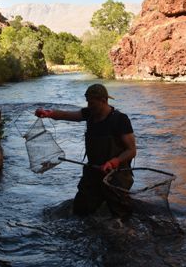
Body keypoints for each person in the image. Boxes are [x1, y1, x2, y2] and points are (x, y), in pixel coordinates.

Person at [35, 83, 137, 219]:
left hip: (117, 176)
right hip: (93, 172)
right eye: (88, 102)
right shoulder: (89, 114)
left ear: (103, 100)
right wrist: (49, 114)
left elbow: (131, 151)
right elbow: (66, 115)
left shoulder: (120, 119)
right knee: (81, 211)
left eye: (92, 103)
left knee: (121, 216)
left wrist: (114, 162)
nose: (89, 107)